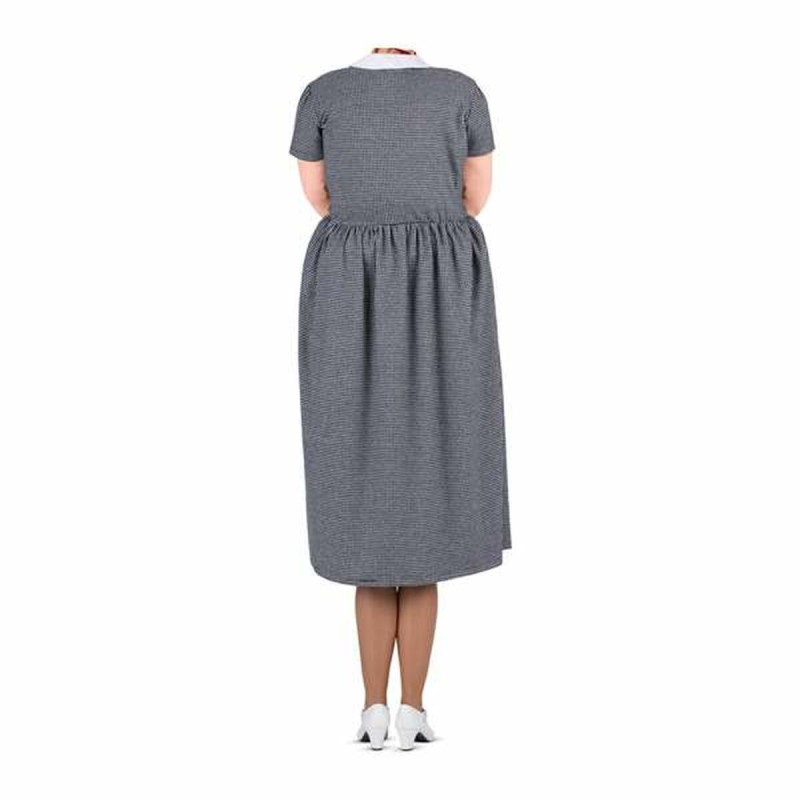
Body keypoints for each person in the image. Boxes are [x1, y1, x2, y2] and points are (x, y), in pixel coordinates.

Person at [289, 46, 511, 750]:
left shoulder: (322, 92)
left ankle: (372, 709)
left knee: (360, 500)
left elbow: (320, 197)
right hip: (443, 282)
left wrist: (373, 224)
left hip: (346, 284)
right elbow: (474, 197)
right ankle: (412, 710)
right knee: (428, 506)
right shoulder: (462, 90)